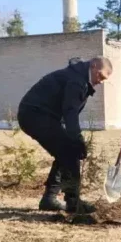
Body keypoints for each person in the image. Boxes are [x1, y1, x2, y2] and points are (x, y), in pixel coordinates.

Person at [17, 57, 113, 214]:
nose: (101, 81)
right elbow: (70, 112)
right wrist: (77, 138)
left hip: (38, 115)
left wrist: (74, 138)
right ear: (94, 66)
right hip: (34, 114)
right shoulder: (77, 81)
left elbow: (68, 112)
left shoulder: (79, 78)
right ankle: (73, 201)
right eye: (101, 76)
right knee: (70, 150)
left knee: (65, 151)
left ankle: (50, 198)